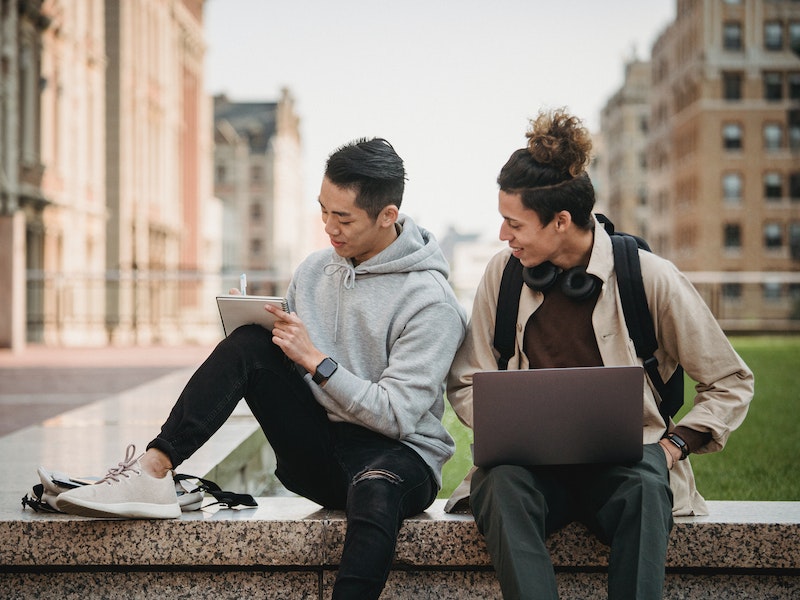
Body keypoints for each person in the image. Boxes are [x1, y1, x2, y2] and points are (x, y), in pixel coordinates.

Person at [56, 137, 468, 599]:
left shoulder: (431, 302)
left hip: (398, 462)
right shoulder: (314, 271)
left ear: (388, 215)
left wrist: (317, 361)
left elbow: (397, 417)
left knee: (375, 489)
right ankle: (152, 471)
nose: (328, 227)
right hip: (323, 452)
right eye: (323, 210)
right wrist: (264, 330)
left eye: (344, 218)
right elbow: (283, 363)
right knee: (249, 343)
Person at [445, 109, 753, 599]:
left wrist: (674, 446)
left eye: (513, 223)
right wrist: (508, 429)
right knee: (497, 485)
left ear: (561, 222)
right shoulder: (502, 276)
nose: (503, 236)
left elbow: (731, 380)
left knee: (648, 489)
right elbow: (466, 378)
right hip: (532, 473)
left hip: (627, 470)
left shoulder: (650, 277)